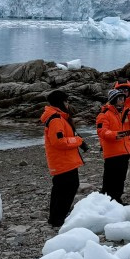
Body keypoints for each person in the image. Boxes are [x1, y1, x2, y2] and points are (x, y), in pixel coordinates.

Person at [40, 89, 85, 228]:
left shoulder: (59, 117)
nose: (68, 103)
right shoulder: (55, 120)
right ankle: (57, 218)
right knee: (67, 187)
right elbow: (58, 142)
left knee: (61, 188)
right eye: (66, 101)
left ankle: (55, 217)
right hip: (62, 161)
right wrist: (77, 141)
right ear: (61, 102)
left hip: (65, 160)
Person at [96, 88, 130, 203]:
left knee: (121, 177)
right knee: (112, 178)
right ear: (113, 100)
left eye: (123, 98)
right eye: (120, 98)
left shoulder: (123, 112)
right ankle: (109, 200)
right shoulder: (104, 114)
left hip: (124, 150)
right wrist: (117, 135)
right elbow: (102, 132)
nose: (122, 100)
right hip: (112, 152)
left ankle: (117, 198)